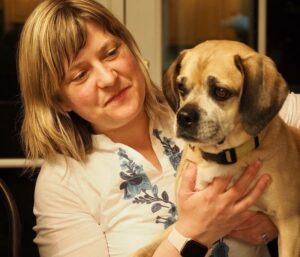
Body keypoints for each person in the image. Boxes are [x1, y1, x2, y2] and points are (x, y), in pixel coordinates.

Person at [17, 0, 300, 257]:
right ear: (59, 100)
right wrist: (191, 232)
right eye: (80, 75)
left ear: (129, 46)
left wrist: (276, 219)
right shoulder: (63, 185)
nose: (108, 78)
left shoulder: (184, 107)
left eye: (111, 52)